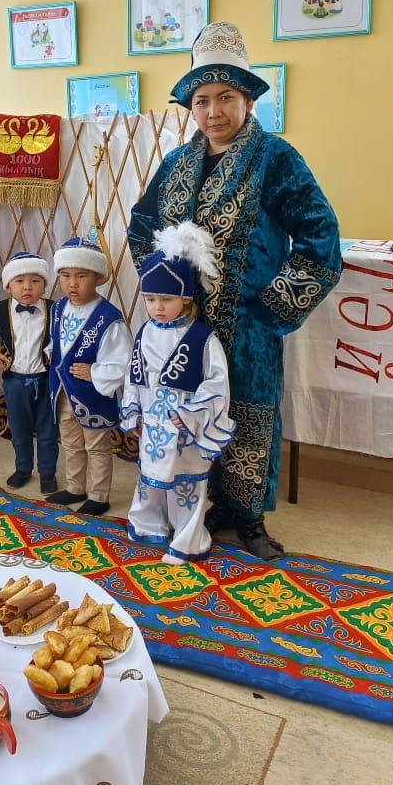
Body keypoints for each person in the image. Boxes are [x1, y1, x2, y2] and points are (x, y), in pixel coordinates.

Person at [128, 21, 341, 560]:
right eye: (202, 100)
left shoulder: (276, 158)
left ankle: (247, 516)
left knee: (247, 412)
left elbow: (320, 233)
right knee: (187, 410)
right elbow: (142, 224)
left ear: (247, 100)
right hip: (182, 327)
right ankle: (197, 502)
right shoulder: (176, 164)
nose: (214, 111)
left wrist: (275, 304)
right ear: (191, 107)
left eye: (226, 97)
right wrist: (162, 291)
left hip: (248, 324)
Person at [121, 222, 235, 564]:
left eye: (166, 299)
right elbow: (134, 376)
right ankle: (147, 525)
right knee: (150, 480)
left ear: (186, 299)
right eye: (150, 299)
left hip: (185, 428)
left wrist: (190, 415)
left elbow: (216, 384)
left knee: (186, 485)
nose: (157, 306)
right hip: (153, 425)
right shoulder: (144, 332)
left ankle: (188, 540)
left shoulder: (202, 338)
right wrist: (133, 411)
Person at [46, 238, 132, 517]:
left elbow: (122, 361)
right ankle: (75, 488)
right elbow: (57, 341)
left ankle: (99, 496)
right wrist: (50, 353)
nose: (72, 283)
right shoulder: (58, 308)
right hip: (62, 390)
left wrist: (94, 372)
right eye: (65, 275)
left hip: (92, 394)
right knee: (71, 443)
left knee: (96, 446)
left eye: (81, 276)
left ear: (97, 277)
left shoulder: (109, 317)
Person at [0, 251, 58, 494]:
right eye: (19, 281)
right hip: (14, 380)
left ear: (44, 285)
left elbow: (61, 336)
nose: (27, 287)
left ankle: (48, 473)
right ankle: (23, 468)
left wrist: (51, 350)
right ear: (8, 286)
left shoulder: (54, 310)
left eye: (35, 281)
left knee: (48, 430)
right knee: (19, 428)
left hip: (45, 379)